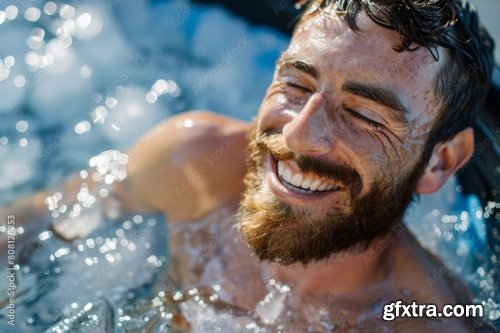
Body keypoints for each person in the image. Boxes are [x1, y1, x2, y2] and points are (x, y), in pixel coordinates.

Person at [1, 0, 495, 331]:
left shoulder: (427, 317)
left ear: (440, 163)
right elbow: (32, 222)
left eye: (365, 116)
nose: (299, 132)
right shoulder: (196, 163)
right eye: (296, 86)